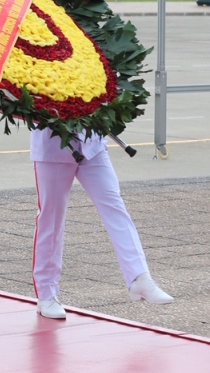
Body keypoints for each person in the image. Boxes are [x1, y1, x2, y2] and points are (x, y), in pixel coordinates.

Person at [31, 129, 174, 319]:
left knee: (115, 208)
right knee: (51, 219)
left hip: (93, 145)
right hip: (53, 147)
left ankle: (139, 277)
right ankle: (46, 294)